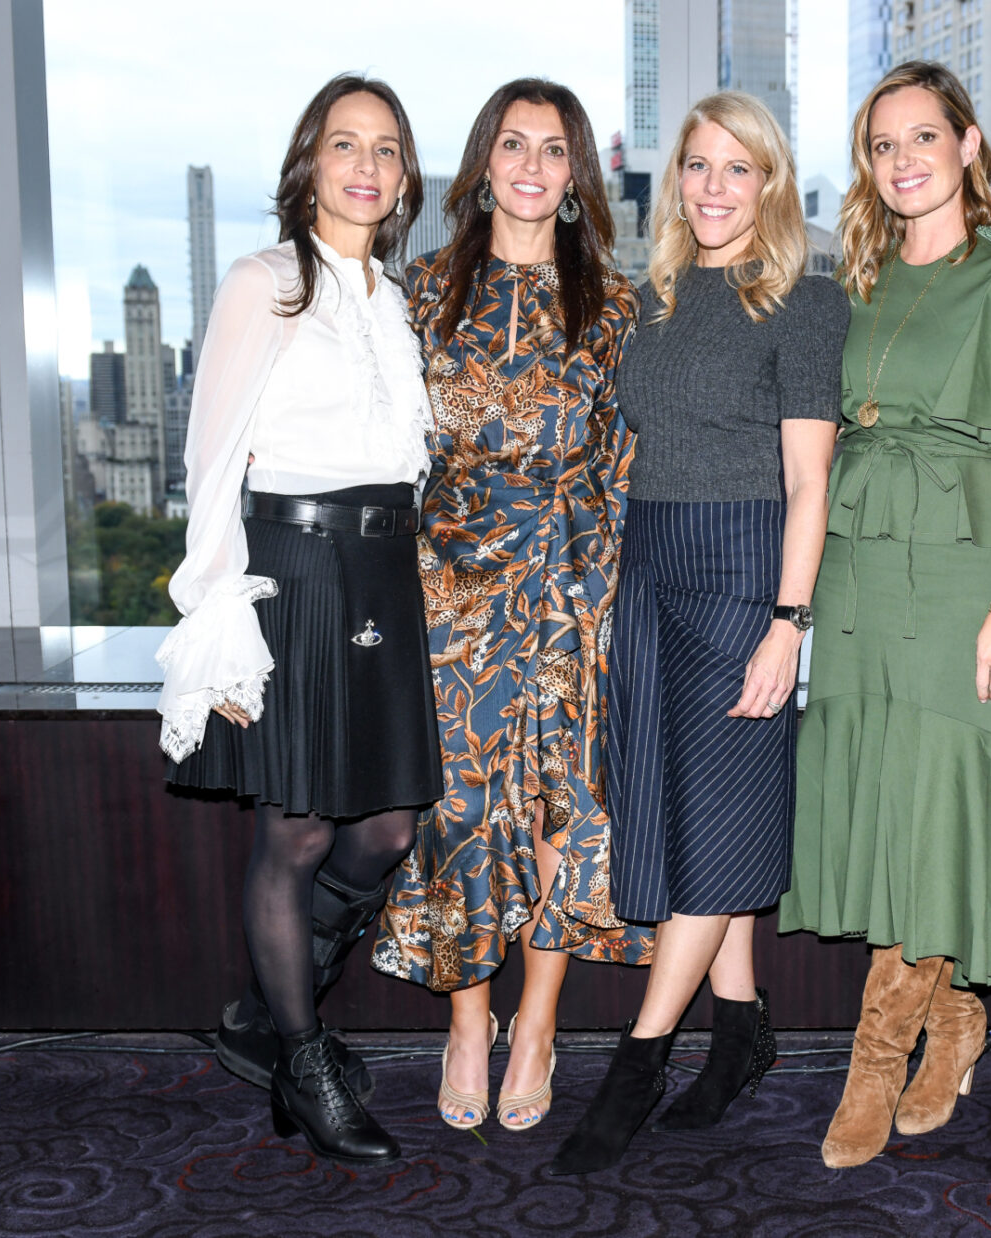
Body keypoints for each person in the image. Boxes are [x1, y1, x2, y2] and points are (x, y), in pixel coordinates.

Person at [779, 61, 991, 1169]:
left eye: (925, 137)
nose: (905, 159)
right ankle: (958, 1014)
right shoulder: (860, 276)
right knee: (886, 800)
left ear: (968, 145)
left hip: (959, 575)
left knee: (935, 802)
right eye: (883, 144)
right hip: (860, 577)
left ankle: (879, 1054)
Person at [548, 92, 847, 1177]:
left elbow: (811, 484)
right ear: (675, 180)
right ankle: (742, 1029)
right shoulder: (656, 298)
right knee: (676, 815)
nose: (714, 187)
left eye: (738, 168)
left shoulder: (807, 307)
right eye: (697, 166)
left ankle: (637, 1065)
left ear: (770, 183)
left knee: (710, 826)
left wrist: (786, 625)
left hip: (740, 577)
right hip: (650, 571)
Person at [157, 74, 440, 1165]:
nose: (365, 166)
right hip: (292, 565)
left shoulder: (395, 297)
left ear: (404, 175)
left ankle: (260, 1018)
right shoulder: (264, 282)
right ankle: (307, 1058)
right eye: (343, 145)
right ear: (309, 163)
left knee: (387, 826)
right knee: (299, 828)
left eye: (385, 149)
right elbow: (211, 457)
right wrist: (219, 615)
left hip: (382, 567)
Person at [372, 78, 651, 1133]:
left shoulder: (618, 305)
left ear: (576, 173)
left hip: (575, 591)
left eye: (553, 150)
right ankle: (467, 1018)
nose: (532, 167)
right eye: (513, 145)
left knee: (558, 815)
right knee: (455, 811)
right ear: (482, 161)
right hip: (445, 590)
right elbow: (387, 453)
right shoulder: (422, 290)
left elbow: (627, 462)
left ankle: (537, 1021)